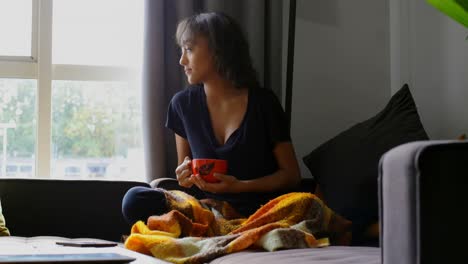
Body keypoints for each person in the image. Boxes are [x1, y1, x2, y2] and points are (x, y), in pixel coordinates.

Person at [122, 12, 301, 224]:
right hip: (208, 210)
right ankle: (211, 226)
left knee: (303, 205)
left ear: (218, 51)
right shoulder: (182, 105)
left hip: (259, 209)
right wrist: (184, 176)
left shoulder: (264, 103)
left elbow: (291, 176)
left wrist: (240, 186)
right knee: (134, 198)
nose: (182, 60)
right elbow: (185, 173)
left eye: (189, 49)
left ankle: (222, 229)